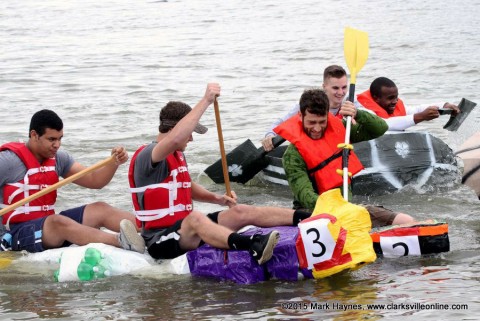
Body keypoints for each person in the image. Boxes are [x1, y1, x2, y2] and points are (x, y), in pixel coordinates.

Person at [128, 83, 312, 264]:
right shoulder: (149, 155)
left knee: (241, 211)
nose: (191, 138)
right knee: (196, 217)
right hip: (160, 241)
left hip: (185, 230)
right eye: (190, 131)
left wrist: (218, 199)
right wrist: (206, 100)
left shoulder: (176, 155)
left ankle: (308, 218)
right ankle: (253, 245)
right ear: (174, 129)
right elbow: (176, 138)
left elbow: (185, 186)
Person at [0, 109, 145, 253]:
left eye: (60, 138)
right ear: (34, 135)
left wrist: (114, 163)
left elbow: (95, 180)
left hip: (46, 227)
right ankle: (121, 241)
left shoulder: (59, 158)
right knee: (57, 222)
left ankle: (153, 229)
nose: (57, 145)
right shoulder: (8, 161)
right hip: (15, 234)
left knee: (100, 209)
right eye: (51, 139)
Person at [274, 88, 415, 228]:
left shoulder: (342, 130)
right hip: (312, 213)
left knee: (404, 220)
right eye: (311, 122)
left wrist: (357, 113)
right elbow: (305, 195)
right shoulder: (292, 155)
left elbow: (380, 128)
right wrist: (341, 212)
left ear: (328, 115)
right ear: (300, 116)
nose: (317, 128)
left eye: (322, 122)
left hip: (346, 208)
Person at [262, 65, 349, 151]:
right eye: (335, 88)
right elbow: (279, 124)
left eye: (344, 87)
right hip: (313, 149)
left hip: (339, 146)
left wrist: (356, 113)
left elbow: (362, 115)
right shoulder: (308, 104)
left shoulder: (350, 101)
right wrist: (270, 135)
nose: (341, 92)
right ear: (324, 87)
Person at [356, 77, 460, 131]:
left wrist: (444, 106)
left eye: (396, 97)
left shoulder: (393, 106)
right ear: (376, 98)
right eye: (390, 98)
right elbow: (385, 125)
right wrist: (422, 116)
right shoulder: (363, 111)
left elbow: (416, 110)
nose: (395, 101)